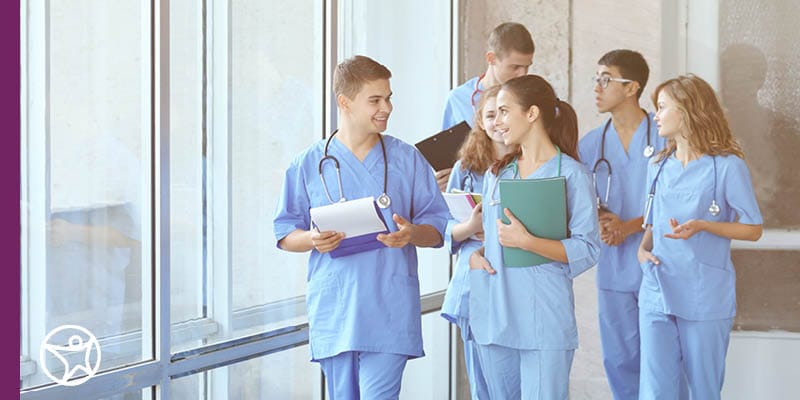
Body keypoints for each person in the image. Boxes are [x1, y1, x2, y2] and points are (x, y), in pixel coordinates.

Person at [272, 55, 450, 399]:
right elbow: (285, 233)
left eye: (389, 98)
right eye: (375, 100)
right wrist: (312, 239)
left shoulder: (406, 159)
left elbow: (437, 226)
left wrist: (411, 233)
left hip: (389, 307)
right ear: (345, 102)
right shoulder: (308, 163)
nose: (387, 108)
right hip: (336, 310)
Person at [468, 75, 600, 399]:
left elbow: (588, 248)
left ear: (531, 113)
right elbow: (492, 237)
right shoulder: (498, 174)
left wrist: (527, 242)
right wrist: (477, 254)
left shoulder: (572, 174)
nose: (497, 121)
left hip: (543, 316)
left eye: (504, 111)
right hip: (495, 312)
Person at [637, 74, 763, 400]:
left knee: (703, 391)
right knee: (655, 391)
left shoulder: (727, 167)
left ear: (686, 110)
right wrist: (642, 250)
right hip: (656, 289)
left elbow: (753, 229)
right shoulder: (658, 166)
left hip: (703, 294)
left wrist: (705, 226)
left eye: (662, 107)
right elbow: (652, 223)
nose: (656, 115)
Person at [577, 49, 669, 400]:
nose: (597, 87)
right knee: (620, 360)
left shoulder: (665, 136)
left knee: (662, 363)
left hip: (660, 262)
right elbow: (580, 200)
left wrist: (628, 227)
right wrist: (603, 221)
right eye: (596, 79)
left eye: (606, 79)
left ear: (632, 87)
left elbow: (680, 200)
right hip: (614, 268)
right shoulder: (591, 145)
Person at [440, 85, 513, 400]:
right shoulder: (464, 169)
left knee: (510, 382)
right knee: (482, 383)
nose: (497, 121)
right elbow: (444, 227)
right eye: (490, 115)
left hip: (512, 279)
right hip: (473, 283)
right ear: (480, 121)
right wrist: (470, 226)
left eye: (504, 113)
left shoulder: (530, 164)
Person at [436, 22, 535, 191]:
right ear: (491, 58)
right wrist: (448, 178)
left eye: (527, 67)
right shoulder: (458, 99)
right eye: (515, 67)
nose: (523, 74)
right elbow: (447, 157)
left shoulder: (533, 99)